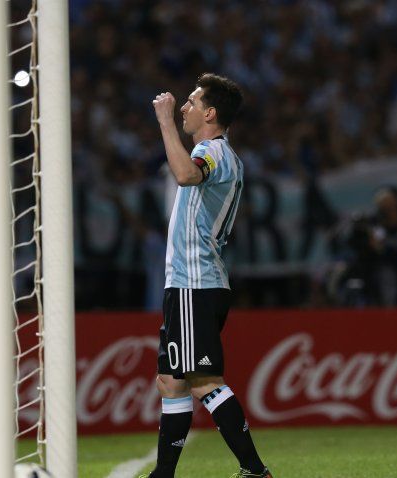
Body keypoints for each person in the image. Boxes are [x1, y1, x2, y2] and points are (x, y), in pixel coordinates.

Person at [146, 73, 272, 478]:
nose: (184, 107)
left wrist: (165, 122)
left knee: (203, 381)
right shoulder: (220, 153)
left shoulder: (213, 151)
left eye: (192, 101)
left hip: (194, 282)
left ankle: (255, 470)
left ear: (210, 113)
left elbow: (186, 174)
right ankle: (163, 474)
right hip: (193, 283)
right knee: (172, 381)